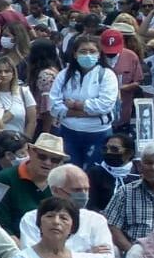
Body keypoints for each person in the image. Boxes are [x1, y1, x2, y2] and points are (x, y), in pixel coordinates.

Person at [17, 165, 117, 258]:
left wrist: (54, 255)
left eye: (86, 189)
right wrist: (87, 254)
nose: (84, 195)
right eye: (77, 190)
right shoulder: (31, 219)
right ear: (55, 190)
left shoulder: (96, 220)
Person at [49, 36, 117, 168]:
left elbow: (105, 105)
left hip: (98, 134)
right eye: (83, 51)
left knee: (95, 174)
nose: (88, 55)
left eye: (92, 51)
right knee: (69, 173)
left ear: (99, 54)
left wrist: (76, 105)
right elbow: (54, 105)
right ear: (75, 54)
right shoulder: (63, 75)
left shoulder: (107, 75)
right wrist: (88, 111)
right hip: (68, 133)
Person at [0, 133, 67, 235]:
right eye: (42, 156)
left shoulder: (63, 183)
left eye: (55, 160)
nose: (48, 163)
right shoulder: (6, 177)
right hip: (13, 242)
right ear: (31, 153)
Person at [104, 141, 154, 251]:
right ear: (140, 166)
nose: (153, 167)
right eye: (149, 163)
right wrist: (133, 253)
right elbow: (112, 226)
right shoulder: (125, 192)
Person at [88, 132, 134, 213]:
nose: (108, 152)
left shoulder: (137, 174)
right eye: (105, 149)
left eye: (114, 149)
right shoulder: (95, 173)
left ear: (129, 153)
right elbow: (90, 204)